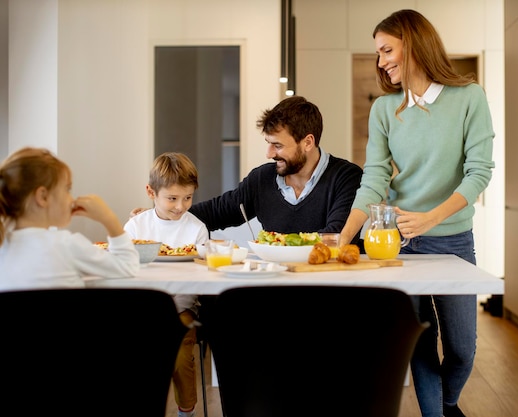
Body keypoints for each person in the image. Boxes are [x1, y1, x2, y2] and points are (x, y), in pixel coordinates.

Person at [338, 9, 495, 417]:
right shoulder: (385, 110)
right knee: (420, 342)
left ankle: (448, 404)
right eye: (377, 53)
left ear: (414, 43)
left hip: (454, 241)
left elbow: (479, 173)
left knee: (462, 349)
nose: (381, 60)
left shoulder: (469, 97)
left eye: (387, 49)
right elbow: (374, 178)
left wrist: (432, 218)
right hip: (399, 243)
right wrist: (342, 237)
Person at [133, 96, 363, 242]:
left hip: (330, 288)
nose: (269, 154)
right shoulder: (262, 178)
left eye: (278, 145)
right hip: (278, 284)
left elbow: (334, 235)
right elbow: (217, 211)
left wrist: (280, 243)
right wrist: (160, 213)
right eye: (268, 144)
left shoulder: (347, 177)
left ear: (308, 142)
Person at [124, 152, 209, 417]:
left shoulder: (196, 228)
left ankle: (187, 410)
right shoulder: (136, 226)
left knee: (182, 356)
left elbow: (203, 272)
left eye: (187, 198)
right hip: (143, 309)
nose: (180, 206)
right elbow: (124, 264)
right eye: (172, 198)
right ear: (151, 192)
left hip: (182, 309)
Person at [0, 147, 139, 290]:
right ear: (43, 196)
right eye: (67, 189)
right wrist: (108, 218)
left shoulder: (3, 246)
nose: (71, 198)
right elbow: (128, 266)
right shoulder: (66, 244)